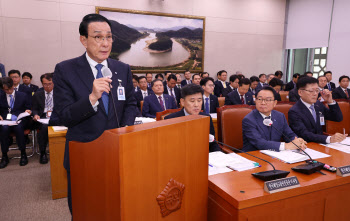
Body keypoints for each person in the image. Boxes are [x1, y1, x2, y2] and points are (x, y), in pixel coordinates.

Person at [53, 14, 137, 215]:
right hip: (85, 154)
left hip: (118, 152)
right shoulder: (65, 69)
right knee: (86, 210)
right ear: (84, 40)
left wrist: (122, 131)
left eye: (109, 37)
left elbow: (131, 104)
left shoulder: (121, 68)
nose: (105, 43)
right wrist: (91, 98)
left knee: (116, 208)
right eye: (98, 37)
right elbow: (64, 115)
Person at [242, 87, 306, 152]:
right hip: (254, 156)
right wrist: (286, 146)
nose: (263, 103)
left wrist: (298, 142)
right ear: (255, 101)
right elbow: (259, 143)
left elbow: (289, 134)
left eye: (268, 100)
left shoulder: (280, 116)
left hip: (276, 155)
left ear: (275, 103)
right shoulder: (249, 120)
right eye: (260, 99)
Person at [164, 84, 221, 152]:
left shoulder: (206, 117)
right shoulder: (170, 120)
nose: (196, 105)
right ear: (182, 102)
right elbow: (169, 148)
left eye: (199, 101)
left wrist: (218, 155)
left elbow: (212, 143)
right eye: (192, 101)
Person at [288, 77, 345, 144]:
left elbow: (338, 118)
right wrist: (328, 139)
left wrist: (330, 101)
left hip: (322, 144)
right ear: (300, 92)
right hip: (307, 146)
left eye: (317, 90)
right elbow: (304, 134)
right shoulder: (294, 111)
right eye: (311, 91)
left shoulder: (318, 105)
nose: (315, 94)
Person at [0, 77, 32, 169]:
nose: (9, 91)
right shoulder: (0, 96)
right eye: (6, 90)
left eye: (10, 88)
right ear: (2, 89)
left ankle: (23, 154)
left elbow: (29, 107)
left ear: (13, 85)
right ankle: (5, 156)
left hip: (20, 120)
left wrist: (28, 110)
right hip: (5, 121)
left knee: (18, 128)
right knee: (4, 129)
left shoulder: (23, 95)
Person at [31, 73, 55, 164]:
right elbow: (34, 108)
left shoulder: (59, 93)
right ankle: (43, 152)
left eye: (50, 83)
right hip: (42, 117)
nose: (48, 86)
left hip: (55, 115)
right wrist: (35, 115)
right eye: (45, 84)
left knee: (46, 127)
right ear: (42, 84)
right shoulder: (37, 94)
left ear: (53, 83)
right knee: (44, 127)